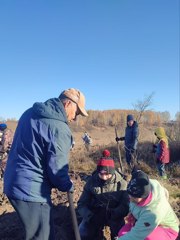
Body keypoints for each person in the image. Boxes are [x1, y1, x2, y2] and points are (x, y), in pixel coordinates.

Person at [3, 88, 88, 240]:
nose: (75, 118)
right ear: (68, 103)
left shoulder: (29, 113)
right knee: (44, 236)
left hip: (12, 183)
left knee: (35, 233)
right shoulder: (59, 128)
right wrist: (67, 185)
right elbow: (57, 171)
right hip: (31, 191)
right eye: (77, 113)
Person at [77, 149, 129, 240]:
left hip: (115, 216)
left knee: (122, 236)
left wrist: (115, 213)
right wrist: (90, 216)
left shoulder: (122, 184)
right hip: (95, 215)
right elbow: (81, 204)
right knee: (83, 232)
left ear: (112, 172)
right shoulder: (91, 182)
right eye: (101, 174)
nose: (104, 177)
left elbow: (126, 206)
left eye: (107, 174)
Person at [118, 170, 179, 240]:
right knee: (122, 233)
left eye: (134, 198)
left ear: (144, 196)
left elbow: (137, 235)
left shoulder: (153, 212)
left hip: (166, 229)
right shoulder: (142, 186)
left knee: (146, 238)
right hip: (143, 221)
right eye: (130, 195)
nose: (131, 200)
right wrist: (132, 213)